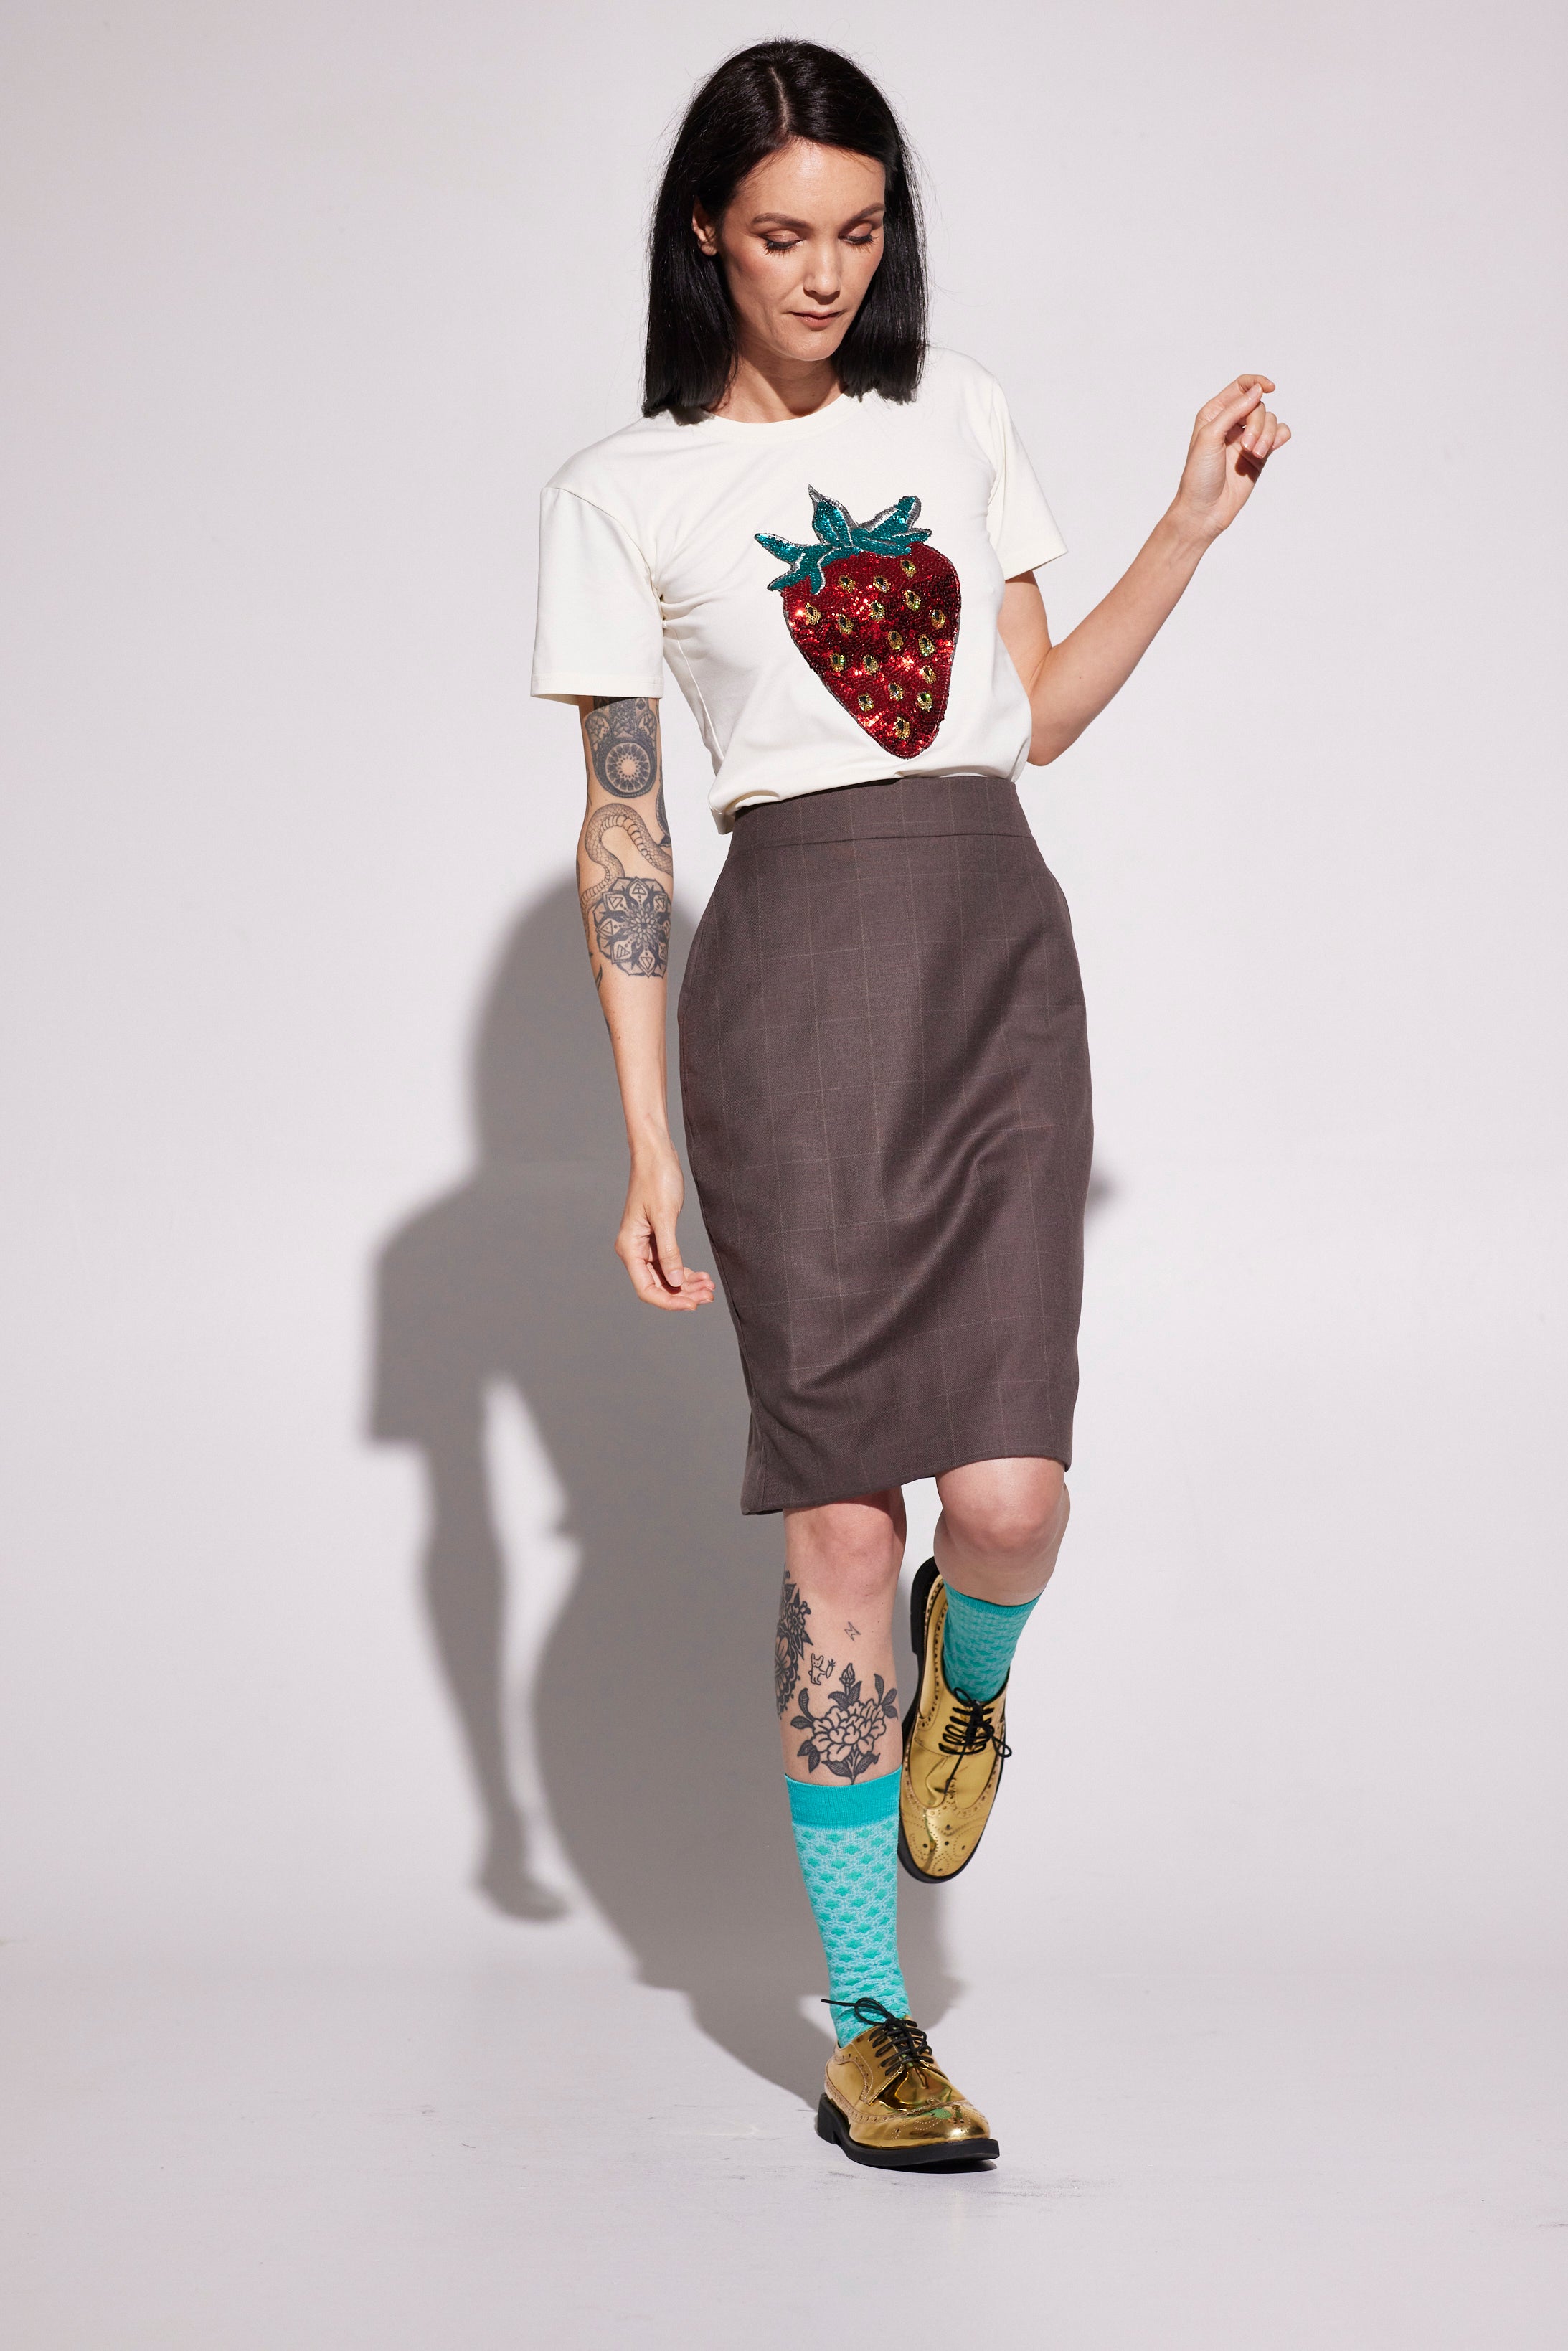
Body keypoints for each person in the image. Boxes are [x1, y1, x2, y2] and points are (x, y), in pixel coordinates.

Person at [530, 38, 1288, 2170]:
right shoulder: (619, 493)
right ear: (705, 232)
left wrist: (1184, 530)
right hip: (787, 992)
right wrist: (647, 1140)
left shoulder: (954, 413)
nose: (824, 275)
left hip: (993, 959)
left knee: (1012, 1499)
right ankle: (872, 2023)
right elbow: (624, 835)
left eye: (859, 234)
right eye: (782, 235)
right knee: (846, 1522)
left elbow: (1032, 713)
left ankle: (980, 1668)